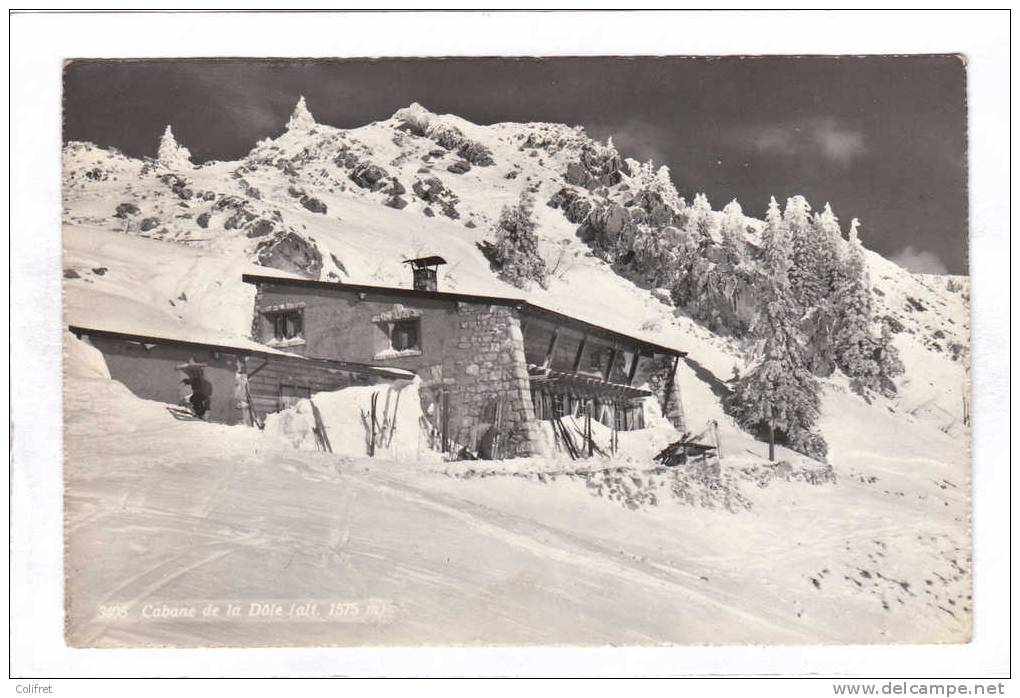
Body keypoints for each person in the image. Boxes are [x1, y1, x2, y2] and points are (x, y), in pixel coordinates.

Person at [233, 360, 253, 427]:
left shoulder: (244, 377)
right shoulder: (237, 376)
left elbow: (246, 387)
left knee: (246, 412)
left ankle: (247, 424)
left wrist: (247, 397)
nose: (240, 367)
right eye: (238, 365)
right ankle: (241, 422)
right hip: (239, 398)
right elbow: (237, 385)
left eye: (241, 365)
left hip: (244, 398)